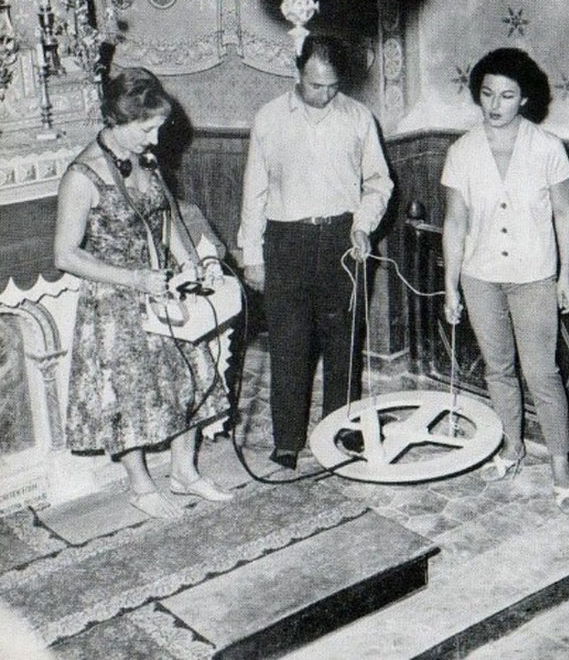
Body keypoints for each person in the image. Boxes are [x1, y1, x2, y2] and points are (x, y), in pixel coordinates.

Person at [54, 68, 233, 520]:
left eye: (158, 127)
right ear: (118, 119)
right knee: (128, 395)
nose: (154, 139)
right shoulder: (83, 175)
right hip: (115, 299)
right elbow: (65, 255)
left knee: (190, 374)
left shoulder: (145, 161)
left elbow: (166, 217)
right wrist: (135, 280)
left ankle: (184, 472)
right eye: (147, 128)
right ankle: (139, 485)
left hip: (161, 288)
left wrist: (189, 261)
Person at [238, 35, 393, 470]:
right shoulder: (269, 119)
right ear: (297, 71)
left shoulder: (359, 117)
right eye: (314, 85)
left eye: (331, 86)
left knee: (344, 345)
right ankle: (287, 440)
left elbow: (379, 183)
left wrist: (363, 226)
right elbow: (255, 190)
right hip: (286, 240)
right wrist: (253, 254)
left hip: (343, 240)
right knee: (289, 346)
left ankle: (339, 434)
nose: (324, 95)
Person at [441, 47, 569, 515]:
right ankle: (511, 447)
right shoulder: (462, 151)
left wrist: (565, 275)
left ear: (524, 99)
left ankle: (561, 468)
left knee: (542, 372)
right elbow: (455, 223)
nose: (495, 104)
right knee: (497, 369)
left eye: (507, 95)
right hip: (479, 275)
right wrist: (450, 286)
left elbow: (565, 215)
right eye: (487, 94)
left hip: (534, 277)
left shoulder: (547, 149)